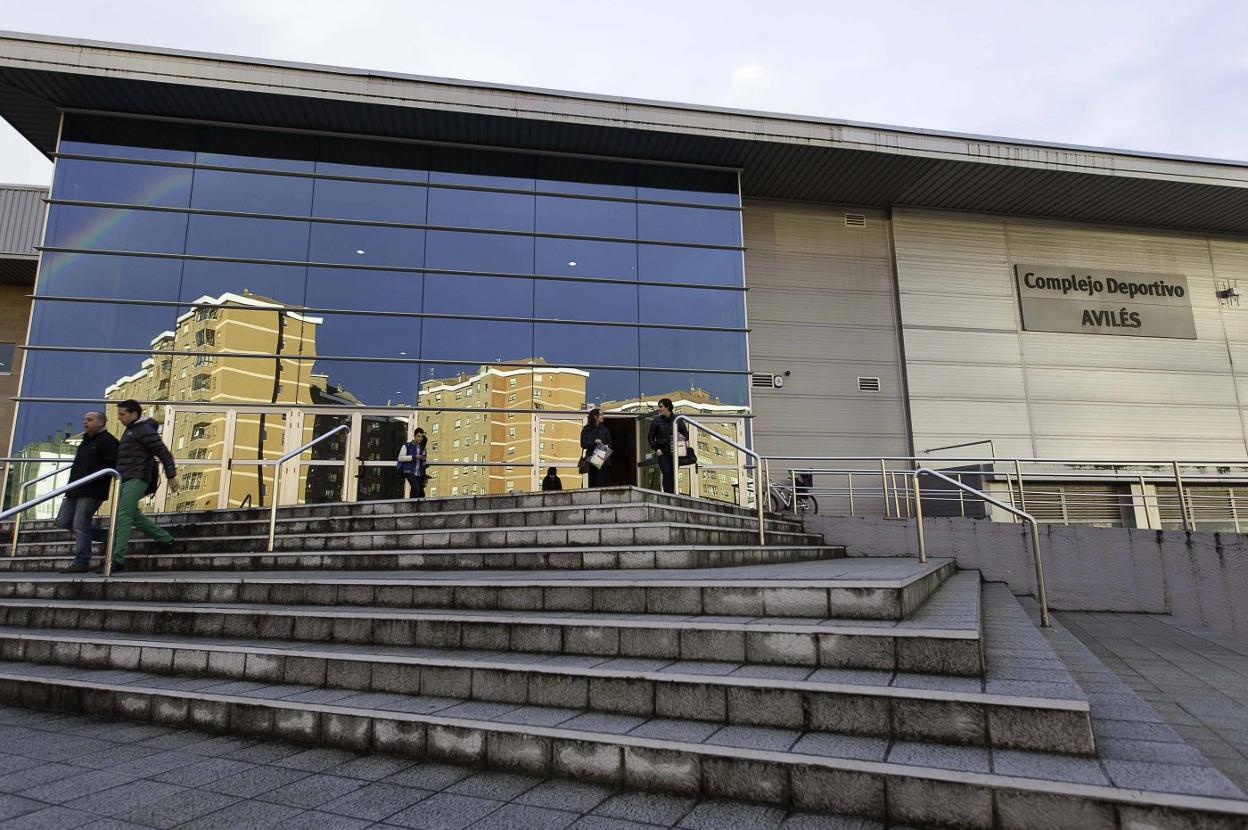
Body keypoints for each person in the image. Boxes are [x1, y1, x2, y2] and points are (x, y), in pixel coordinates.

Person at [108, 400, 178, 573]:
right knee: (132, 515)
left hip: (137, 478)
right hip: (124, 478)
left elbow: (164, 453)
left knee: (122, 515)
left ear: (134, 414)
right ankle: (166, 539)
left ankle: (116, 559)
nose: (119, 418)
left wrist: (171, 477)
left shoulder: (144, 430)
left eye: (122, 414)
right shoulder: (131, 430)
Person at [57, 410, 119, 573]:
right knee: (64, 521)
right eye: (84, 419)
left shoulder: (108, 441)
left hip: (92, 490)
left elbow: (111, 466)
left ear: (101, 422)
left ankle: (82, 561)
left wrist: (92, 478)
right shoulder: (85, 440)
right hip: (74, 488)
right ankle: (108, 536)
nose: (85, 422)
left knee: (80, 523)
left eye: (90, 420)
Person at [647, 397, 689, 495]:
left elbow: (686, 434)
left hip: (675, 452)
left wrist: (680, 437)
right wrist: (656, 448)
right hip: (662, 452)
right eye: (659, 407)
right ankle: (668, 496)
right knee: (666, 473)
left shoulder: (677, 420)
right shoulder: (656, 421)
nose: (659, 409)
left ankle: (673, 495)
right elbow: (650, 437)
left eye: (661, 407)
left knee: (673, 474)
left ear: (668, 407)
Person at [579, 408, 612, 488]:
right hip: (591, 461)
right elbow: (583, 444)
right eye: (601, 415)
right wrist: (594, 442)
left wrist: (602, 444)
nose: (603, 417)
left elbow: (610, 444)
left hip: (603, 460)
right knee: (593, 485)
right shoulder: (586, 430)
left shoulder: (605, 430)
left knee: (602, 484)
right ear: (595, 416)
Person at [397, 427, 428, 498]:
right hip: (409, 472)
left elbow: (423, 460)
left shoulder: (422, 448)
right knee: (416, 488)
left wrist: (423, 458)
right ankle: (413, 507)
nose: (420, 438)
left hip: (419, 472)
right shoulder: (407, 445)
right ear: (414, 436)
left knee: (419, 491)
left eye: (422, 436)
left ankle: (412, 506)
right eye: (419, 436)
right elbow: (401, 458)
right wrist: (414, 457)